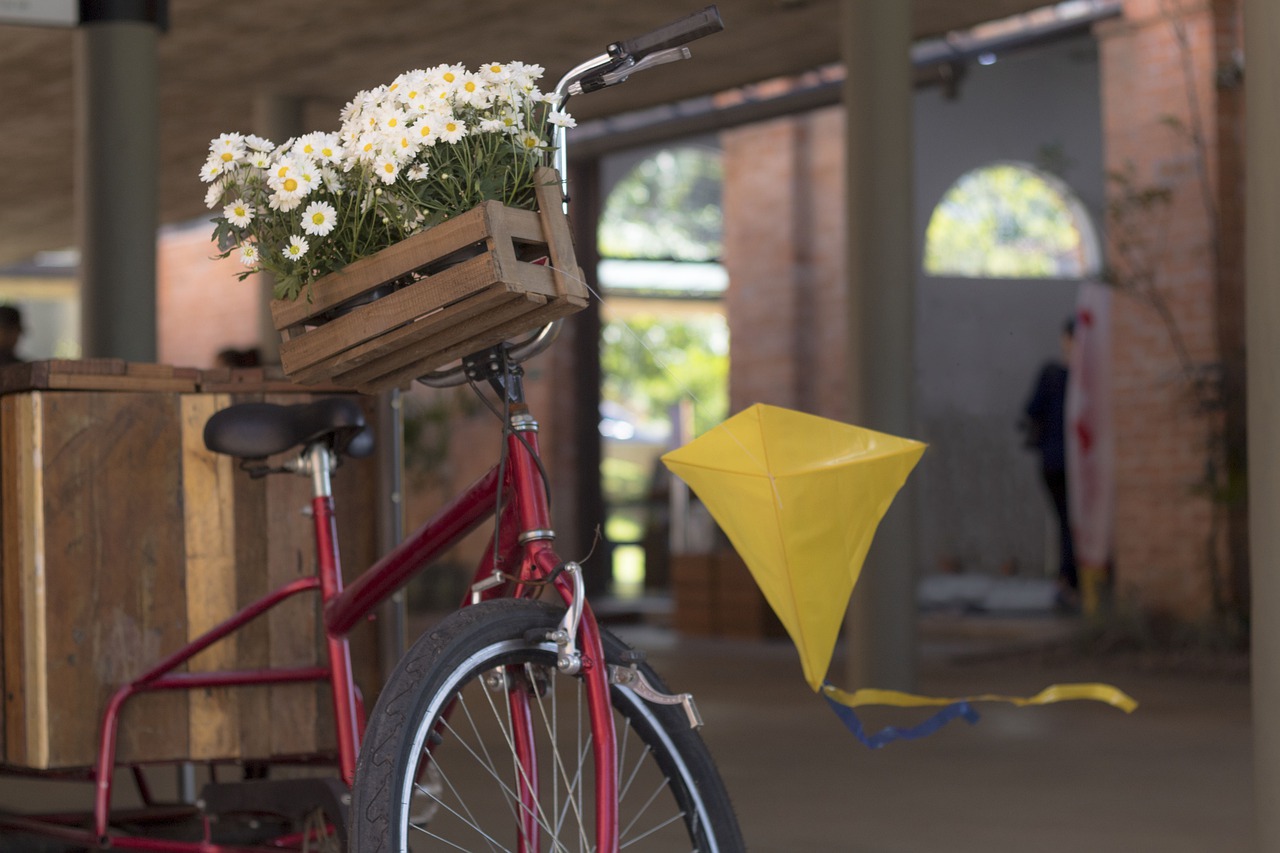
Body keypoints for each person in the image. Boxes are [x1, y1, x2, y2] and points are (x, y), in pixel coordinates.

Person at [1022, 318, 1078, 610]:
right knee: (1072, 522)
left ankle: (1067, 581)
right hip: (1072, 464)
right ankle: (1070, 581)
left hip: (1053, 462)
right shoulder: (1082, 378)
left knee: (1066, 521)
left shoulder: (1053, 374)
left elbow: (1030, 411)